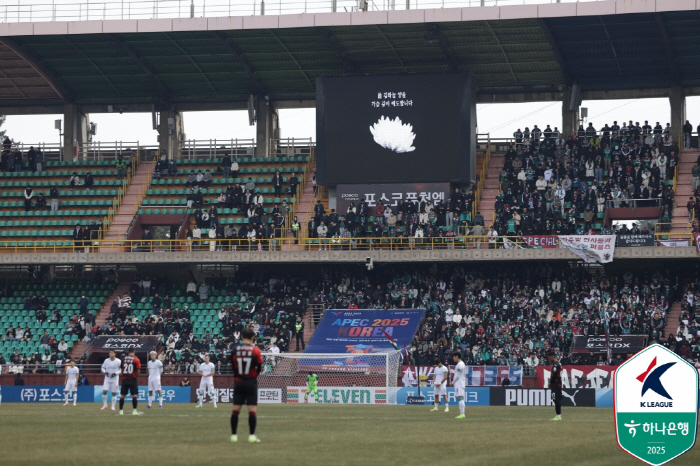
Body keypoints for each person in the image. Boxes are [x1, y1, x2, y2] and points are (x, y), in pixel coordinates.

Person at [230, 327, 263, 443]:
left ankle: (234, 436)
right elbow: (259, 367)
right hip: (251, 382)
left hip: (239, 382)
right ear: (253, 338)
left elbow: (232, 365)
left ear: (242, 336)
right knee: (252, 410)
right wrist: (253, 376)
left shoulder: (235, 350)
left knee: (235, 409)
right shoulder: (256, 350)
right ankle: (251, 436)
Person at [119, 347, 142, 416]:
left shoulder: (123, 359)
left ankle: (121, 411)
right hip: (132, 378)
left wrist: (123, 375)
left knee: (123, 395)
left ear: (128, 352)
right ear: (134, 351)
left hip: (124, 378)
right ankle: (134, 410)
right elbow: (138, 370)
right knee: (134, 395)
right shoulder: (136, 359)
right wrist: (135, 376)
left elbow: (122, 369)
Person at [547, 350, 563, 421]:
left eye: (549, 358)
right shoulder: (558, 364)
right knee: (556, 399)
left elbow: (554, 375)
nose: (549, 359)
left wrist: (550, 383)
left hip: (556, 384)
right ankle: (558, 415)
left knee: (556, 399)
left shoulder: (556, 365)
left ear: (552, 356)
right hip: (557, 384)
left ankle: (558, 415)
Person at [452, 351, 466, 419]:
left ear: (457, 357)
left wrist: (453, 382)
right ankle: (462, 413)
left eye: (454, 357)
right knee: (460, 398)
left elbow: (457, 375)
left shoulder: (460, 365)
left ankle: (462, 414)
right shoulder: (461, 364)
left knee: (460, 398)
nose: (453, 358)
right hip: (461, 382)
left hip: (459, 383)